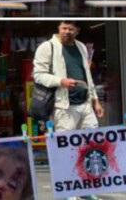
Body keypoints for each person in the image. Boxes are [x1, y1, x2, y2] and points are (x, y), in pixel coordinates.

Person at [33, 21, 104, 200]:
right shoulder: (47, 47)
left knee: (90, 148)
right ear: (58, 28)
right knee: (66, 150)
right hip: (63, 107)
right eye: (63, 28)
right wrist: (61, 81)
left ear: (77, 31)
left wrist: (95, 100)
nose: (66, 32)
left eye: (71, 29)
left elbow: (87, 76)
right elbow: (38, 75)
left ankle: (86, 189)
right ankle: (68, 192)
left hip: (85, 105)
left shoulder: (80, 47)